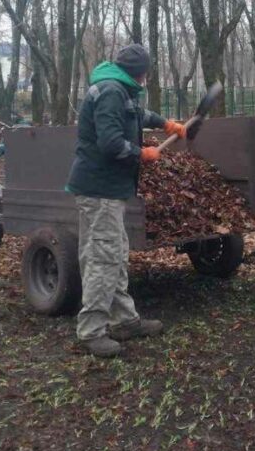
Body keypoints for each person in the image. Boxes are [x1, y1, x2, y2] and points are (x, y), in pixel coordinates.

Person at [66, 43, 186, 358]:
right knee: (103, 257)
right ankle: (92, 331)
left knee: (114, 253)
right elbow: (110, 143)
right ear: (141, 72)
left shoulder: (119, 90)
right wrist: (140, 153)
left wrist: (165, 124)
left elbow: (137, 115)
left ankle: (124, 320)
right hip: (100, 188)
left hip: (107, 189)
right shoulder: (110, 92)